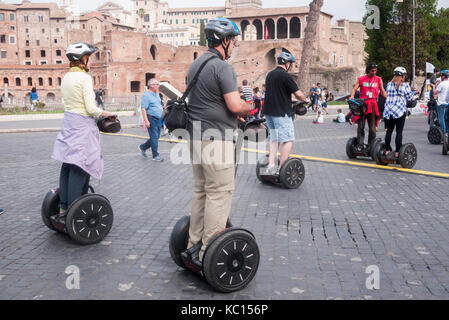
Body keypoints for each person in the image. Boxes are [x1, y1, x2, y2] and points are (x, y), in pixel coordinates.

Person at [183, 18, 250, 265]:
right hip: (216, 140)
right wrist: (248, 106)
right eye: (233, 41)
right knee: (220, 193)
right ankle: (207, 255)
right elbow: (234, 105)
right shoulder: (223, 68)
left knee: (201, 191)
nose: (233, 46)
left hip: (196, 137)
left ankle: (193, 246)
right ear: (224, 40)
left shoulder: (196, 64)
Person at [51, 42, 116, 219]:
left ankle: (63, 208)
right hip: (82, 126)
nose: (90, 61)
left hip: (69, 123)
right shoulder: (84, 78)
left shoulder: (66, 77)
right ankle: (74, 209)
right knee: (80, 166)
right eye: (89, 58)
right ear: (83, 59)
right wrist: (107, 112)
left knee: (68, 164)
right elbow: (90, 108)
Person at [263, 52, 310, 175]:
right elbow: (298, 93)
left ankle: (271, 165)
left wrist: (291, 100)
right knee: (288, 139)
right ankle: (282, 169)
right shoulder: (285, 76)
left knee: (274, 139)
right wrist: (305, 100)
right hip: (281, 112)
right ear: (287, 63)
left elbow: (277, 93)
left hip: (269, 112)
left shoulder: (270, 75)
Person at [349, 62, 388, 150]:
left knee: (372, 127)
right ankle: (360, 144)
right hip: (362, 104)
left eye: (375, 71)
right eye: (372, 71)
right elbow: (355, 89)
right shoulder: (361, 79)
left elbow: (382, 91)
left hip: (373, 104)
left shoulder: (378, 79)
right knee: (361, 126)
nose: (374, 72)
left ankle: (371, 145)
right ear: (368, 70)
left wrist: (387, 98)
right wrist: (351, 96)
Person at [383, 67, 419, 158]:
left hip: (388, 111)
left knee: (389, 131)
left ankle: (387, 150)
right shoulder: (405, 85)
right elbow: (410, 98)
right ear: (402, 76)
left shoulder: (388, 84)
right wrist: (416, 96)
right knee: (399, 132)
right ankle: (397, 152)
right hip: (398, 111)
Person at [138, 78, 164, 161]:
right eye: (157, 84)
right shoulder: (147, 95)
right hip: (151, 118)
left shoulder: (157, 94)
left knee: (156, 137)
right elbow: (143, 109)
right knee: (154, 137)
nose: (158, 86)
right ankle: (155, 155)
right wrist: (146, 121)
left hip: (158, 118)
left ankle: (143, 147)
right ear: (151, 85)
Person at [434, 70, 449, 141]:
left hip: (441, 103)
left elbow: (435, 92)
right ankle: (447, 132)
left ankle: (444, 133)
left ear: (443, 76)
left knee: (441, 119)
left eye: (441, 75)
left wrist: (434, 86)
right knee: (446, 118)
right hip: (447, 103)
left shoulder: (441, 84)